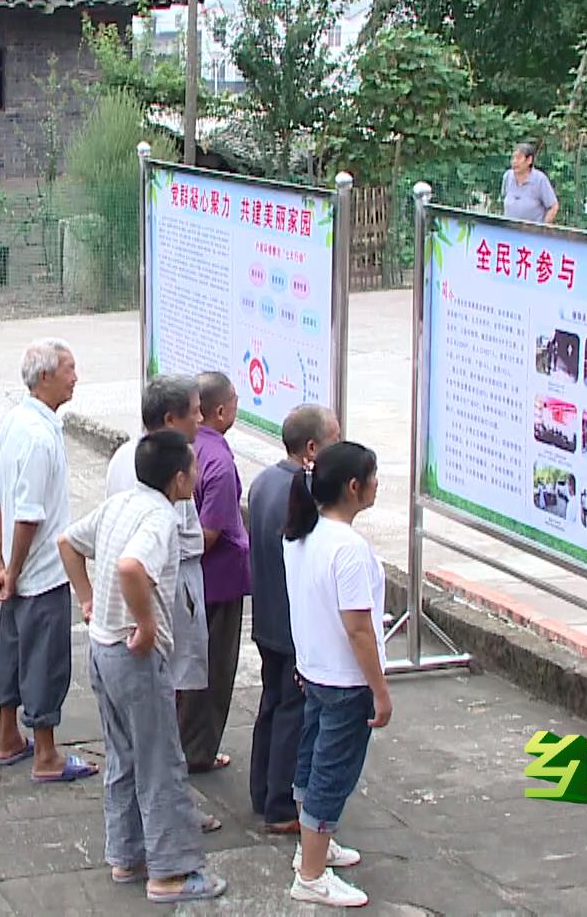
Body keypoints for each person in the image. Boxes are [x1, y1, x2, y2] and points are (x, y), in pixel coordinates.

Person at [58, 430, 229, 905]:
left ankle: (127, 854)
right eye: (192, 469)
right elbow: (133, 568)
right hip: (133, 655)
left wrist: (88, 598)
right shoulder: (161, 518)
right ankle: (171, 872)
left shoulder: (122, 503)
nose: (195, 476)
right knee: (161, 761)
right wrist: (148, 623)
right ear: (179, 479)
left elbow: (68, 542)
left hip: (102, 648)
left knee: (123, 755)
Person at [285, 441, 394, 907]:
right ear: (354, 487)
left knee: (311, 762)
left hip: (314, 669)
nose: (376, 485)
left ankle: (311, 849)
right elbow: (359, 629)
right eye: (373, 477)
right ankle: (311, 875)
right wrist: (381, 691)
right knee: (331, 773)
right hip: (346, 681)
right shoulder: (348, 548)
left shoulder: (300, 534)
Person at [0, 339, 97, 782]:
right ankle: (47, 755)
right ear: (47, 375)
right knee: (45, 660)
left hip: (17, 566)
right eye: (70, 369)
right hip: (39, 571)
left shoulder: (18, 420)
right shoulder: (37, 434)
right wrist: (12, 570)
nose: (76, 377)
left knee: (12, 650)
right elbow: (30, 512)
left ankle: (8, 737)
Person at [105, 377, 214, 775]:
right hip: (161, 587)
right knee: (170, 687)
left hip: (138, 591)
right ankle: (169, 778)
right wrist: (149, 621)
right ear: (171, 418)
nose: (201, 420)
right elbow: (137, 560)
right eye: (195, 411)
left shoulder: (125, 455)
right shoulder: (163, 489)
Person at [247, 404, 341, 833]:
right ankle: (281, 803)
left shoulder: (264, 481)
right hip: (291, 624)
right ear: (311, 448)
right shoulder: (301, 494)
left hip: (266, 617)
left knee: (271, 705)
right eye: (333, 441)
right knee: (292, 712)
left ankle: (261, 789)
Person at [179, 372, 249, 774]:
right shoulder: (219, 462)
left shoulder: (192, 447)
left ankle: (190, 743)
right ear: (220, 410)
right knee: (214, 668)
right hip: (217, 580)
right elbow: (209, 534)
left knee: (193, 665)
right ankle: (197, 749)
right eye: (235, 401)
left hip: (197, 580)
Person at [502, 141, 559, 224]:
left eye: (518, 158)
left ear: (529, 160)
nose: (514, 161)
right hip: (508, 231)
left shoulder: (540, 179)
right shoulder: (507, 176)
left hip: (531, 234)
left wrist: (541, 229)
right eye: (513, 158)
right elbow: (504, 197)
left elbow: (553, 207)